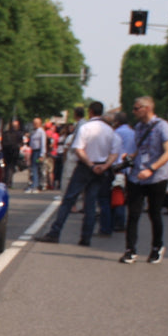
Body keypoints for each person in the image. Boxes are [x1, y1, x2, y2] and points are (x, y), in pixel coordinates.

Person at [37, 101, 116, 245]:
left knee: (68, 200)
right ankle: (86, 238)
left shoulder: (85, 128)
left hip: (85, 166)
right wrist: (104, 166)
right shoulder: (110, 130)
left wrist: (91, 165)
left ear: (90, 112)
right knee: (90, 203)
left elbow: (79, 149)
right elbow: (114, 153)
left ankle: (55, 232)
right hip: (101, 168)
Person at [121, 95, 168, 264]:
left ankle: (156, 247)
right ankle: (130, 250)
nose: (134, 111)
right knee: (133, 213)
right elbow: (139, 147)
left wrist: (152, 169)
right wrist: (130, 157)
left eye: (137, 108)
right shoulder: (138, 127)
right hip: (137, 175)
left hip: (156, 176)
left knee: (154, 213)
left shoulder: (163, 126)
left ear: (147, 108)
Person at [26, 117, 45, 192]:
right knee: (33, 168)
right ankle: (33, 184)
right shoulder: (34, 131)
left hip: (38, 152)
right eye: (34, 123)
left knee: (35, 168)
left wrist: (42, 155)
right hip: (33, 151)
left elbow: (43, 144)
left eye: (36, 123)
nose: (34, 124)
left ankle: (36, 185)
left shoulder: (41, 132)